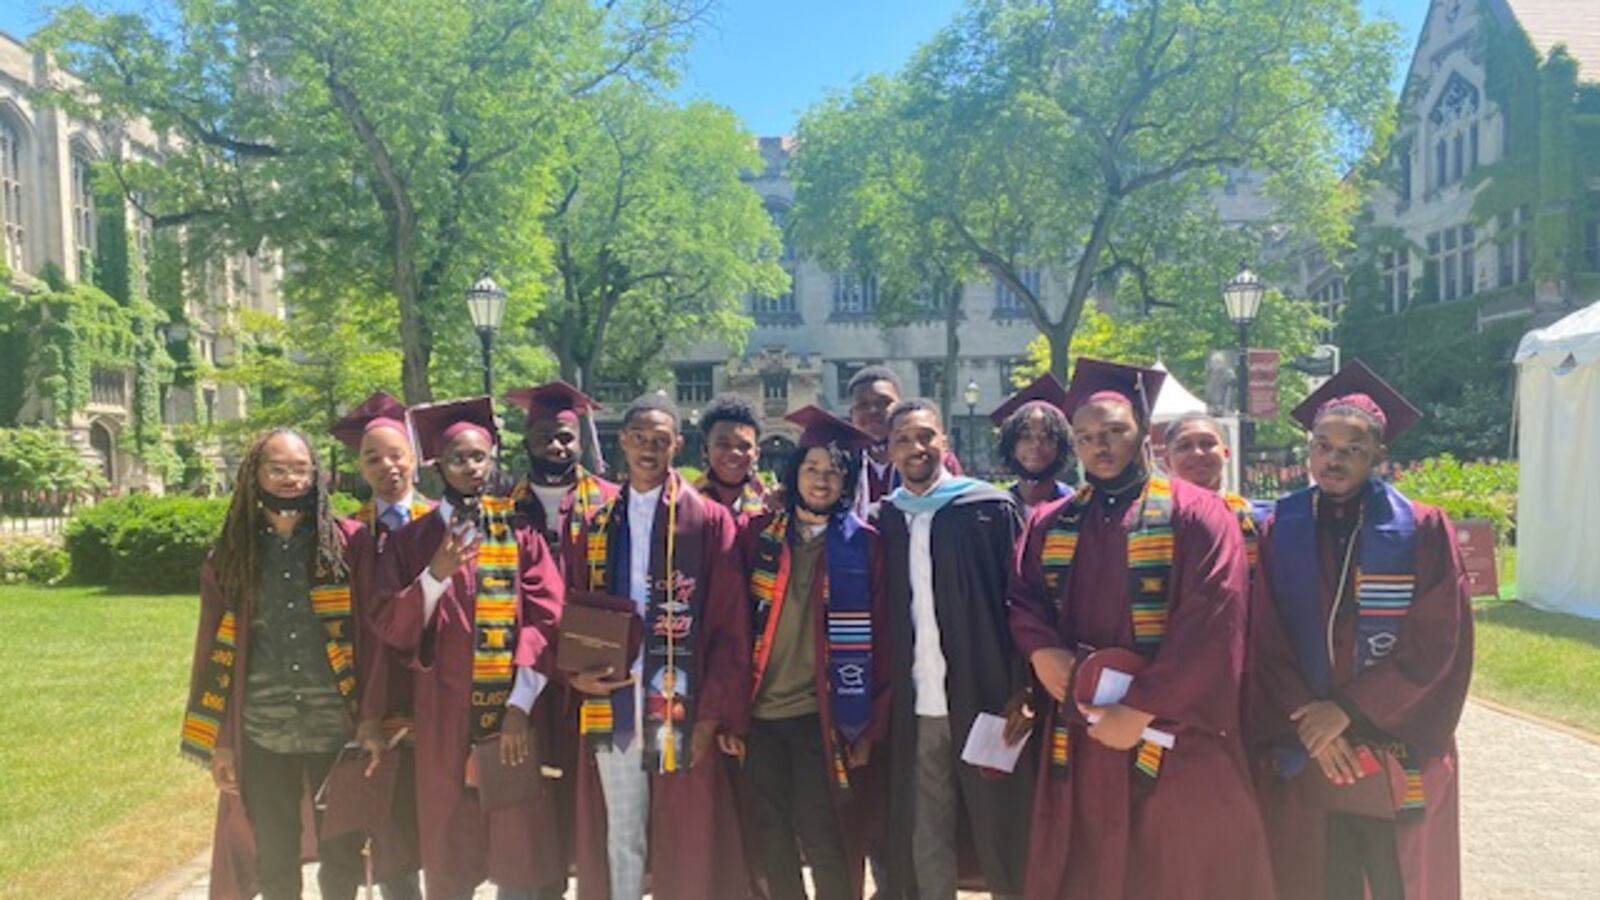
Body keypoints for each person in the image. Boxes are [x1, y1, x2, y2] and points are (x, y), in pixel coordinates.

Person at [1007, 358, 1274, 899]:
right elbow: (1022, 596)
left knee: (1175, 870)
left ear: (1143, 434)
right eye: (1085, 437)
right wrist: (1040, 651)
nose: (1099, 446)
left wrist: (1141, 707)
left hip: (1170, 734)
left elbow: (1214, 618)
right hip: (1082, 734)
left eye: (1114, 432)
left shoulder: (1196, 514)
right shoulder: (1052, 521)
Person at [1247, 361, 1473, 900]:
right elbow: (1264, 636)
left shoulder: (1420, 527)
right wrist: (1312, 723)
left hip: (1387, 739)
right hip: (1311, 744)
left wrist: (1346, 712)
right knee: (1320, 876)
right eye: (1323, 445)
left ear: (1379, 455)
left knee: (1392, 878)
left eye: (1352, 447)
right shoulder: (1282, 526)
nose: (1334, 457)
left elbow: (1438, 640)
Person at [372, 397, 565, 900]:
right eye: (458, 457)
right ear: (438, 463)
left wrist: (521, 705)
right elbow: (392, 626)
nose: (471, 467)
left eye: (479, 456)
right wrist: (435, 575)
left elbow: (548, 616)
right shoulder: (411, 540)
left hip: (512, 708)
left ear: (493, 458)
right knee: (449, 838)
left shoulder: (522, 533)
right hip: (443, 713)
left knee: (518, 837)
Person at [564, 392, 751, 900]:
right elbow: (574, 613)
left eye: (661, 440)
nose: (649, 449)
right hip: (615, 703)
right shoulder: (596, 523)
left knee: (686, 837)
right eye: (639, 438)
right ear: (622, 441)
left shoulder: (709, 521)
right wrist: (577, 677)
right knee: (623, 834)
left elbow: (731, 628)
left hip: (683, 706)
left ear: (679, 446)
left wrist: (711, 716)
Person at [182, 428, 365, 900]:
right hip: (264, 729)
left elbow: (373, 638)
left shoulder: (348, 544)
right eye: (277, 468)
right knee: (275, 856)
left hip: (337, 725)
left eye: (300, 468)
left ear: (315, 474)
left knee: (343, 852)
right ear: (253, 475)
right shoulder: (232, 554)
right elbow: (210, 654)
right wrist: (222, 743)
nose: (290, 478)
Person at [873, 398, 1031, 899]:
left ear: (945, 441)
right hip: (916, 702)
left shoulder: (988, 508)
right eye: (903, 439)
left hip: (985, 695)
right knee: (926, 824)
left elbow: (1023, 602)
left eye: (925, 436)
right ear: (889, 450)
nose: (916, 447)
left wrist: (1023, 685)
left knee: (1001, 820)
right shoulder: (884, 520)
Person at [731, 406, 890, 900]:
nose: (822, 480)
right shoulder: (758, 536)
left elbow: (883, 643)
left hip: (821, 715)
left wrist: (870, 726)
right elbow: (731, 628)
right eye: (812, 468)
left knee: (824, 831)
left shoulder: (864, 547)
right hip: (759, 713)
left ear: (848, 481)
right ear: (794, 472)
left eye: (834, 471)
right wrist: (729, 714)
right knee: (770, 829)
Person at [505, 380, 620, 900]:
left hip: (593, 675)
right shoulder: (501, 509)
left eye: (567, 437)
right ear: (527, 440)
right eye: (546, 437)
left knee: (592, 796)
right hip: (524, 678)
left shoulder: (611, 504)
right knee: (530, 799)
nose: (557, 447)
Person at [329, 391, 433, 900]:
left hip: (438, 688)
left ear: (414, 456)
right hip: (374, 690)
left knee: (441, 814)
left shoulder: (445, 523)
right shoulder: (350, 535)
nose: (386, 465)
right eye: (372, 457)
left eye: (396, 454)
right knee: (388, 820)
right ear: (360, 468)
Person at [844, 367, 962, 514]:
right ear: (851, 414)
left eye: (883, 402)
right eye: (863, 405)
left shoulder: (934, 459)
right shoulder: (843, 462)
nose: (873, 410)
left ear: (899, 408)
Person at [1163, 410, 1263, 566]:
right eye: (1184, 446)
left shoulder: (1250, 518)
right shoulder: (1155, 517)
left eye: (1208, 444)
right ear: (1168, 461)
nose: (1197, 453)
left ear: (1226, 453)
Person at [990, 373, 1077, 517]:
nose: (1036, 445)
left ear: (1061, 446)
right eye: (1026, 437)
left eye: (1048, 437)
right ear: (1011, 445)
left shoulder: (1075, 506)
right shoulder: (997, 509)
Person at [695, 392, 768, 522]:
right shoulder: (686, 502)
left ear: (756, 453)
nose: (734, 453)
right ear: (705, 450)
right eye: (723, 445)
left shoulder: (769, 504)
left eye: (744, 446)